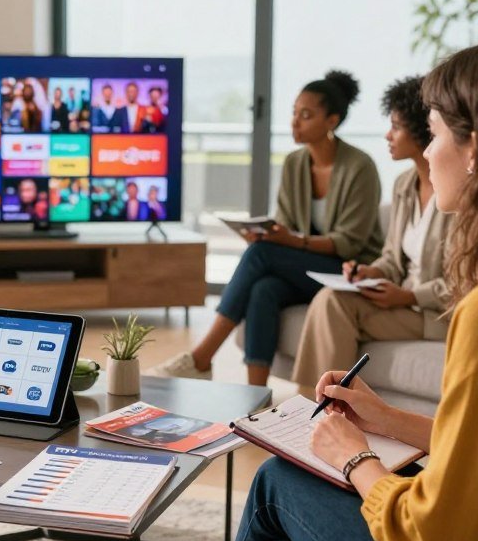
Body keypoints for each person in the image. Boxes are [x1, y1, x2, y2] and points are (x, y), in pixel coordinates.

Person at [206, 36, 478, 541]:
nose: (430, 148)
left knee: (275, 481)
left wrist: (354, 458)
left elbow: (434, 538)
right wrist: (383, 418)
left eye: (437, 132)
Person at [150, 70, 382, 386]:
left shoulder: (360, 167)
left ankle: (201, 357)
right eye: (294, 113)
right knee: (264, 289)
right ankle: (256, 396)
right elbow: (285, 224)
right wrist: (269, 234)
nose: (295, 122)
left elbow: (350, 243)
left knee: (261, 254)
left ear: (332, 121)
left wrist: (290, 240)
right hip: (310, 270)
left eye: (306, 115)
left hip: (348, 272)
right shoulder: (294, 164)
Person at [292, 76, 454, 387]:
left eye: (396, 126)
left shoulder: (455, 196)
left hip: (433, 314)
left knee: (332, 305)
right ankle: (318, 404)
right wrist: (370, 272)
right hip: (402, 302)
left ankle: (324, 405)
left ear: (423, 132)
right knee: (330, 298)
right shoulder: (404, 185)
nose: (388, 135)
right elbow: (393, 258)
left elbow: (462, 284)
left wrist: (406, 295)